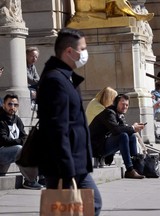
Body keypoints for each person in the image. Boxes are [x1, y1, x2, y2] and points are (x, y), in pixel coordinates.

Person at [37, 28, 102, 215]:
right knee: (92, 205)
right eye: (82, 48)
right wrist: (67, 169)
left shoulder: (64, 77)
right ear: (69, 51)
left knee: (68, 210)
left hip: (72, 160)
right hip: (66, 163)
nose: (85, 53)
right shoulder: (55, 80)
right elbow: (57, 127)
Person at [89, 94, 145, 179]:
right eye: (122, 104)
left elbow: (124, 128)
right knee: (123, 136)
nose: (125, 107)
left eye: (127, 105)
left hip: (104, 143)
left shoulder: (119, 114)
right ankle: (130, 170)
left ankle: (136, 167)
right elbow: (116, 130)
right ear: (116, 104)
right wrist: (133, 128)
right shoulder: (109, 113)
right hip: (97, 147)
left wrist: (132, 128)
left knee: (132, 136)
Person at [0, 94, 43, 189]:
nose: (12, 107)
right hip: (2, 152)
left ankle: (42, 177)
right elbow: (4, 140)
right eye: (10, 104)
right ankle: (29, 181)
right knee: (19, 149)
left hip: (12, 150)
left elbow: (24, 136)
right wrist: (21, 142)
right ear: (4, 105)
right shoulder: (1, 119)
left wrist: (24, 142)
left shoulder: (17, 119)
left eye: (15, 105)